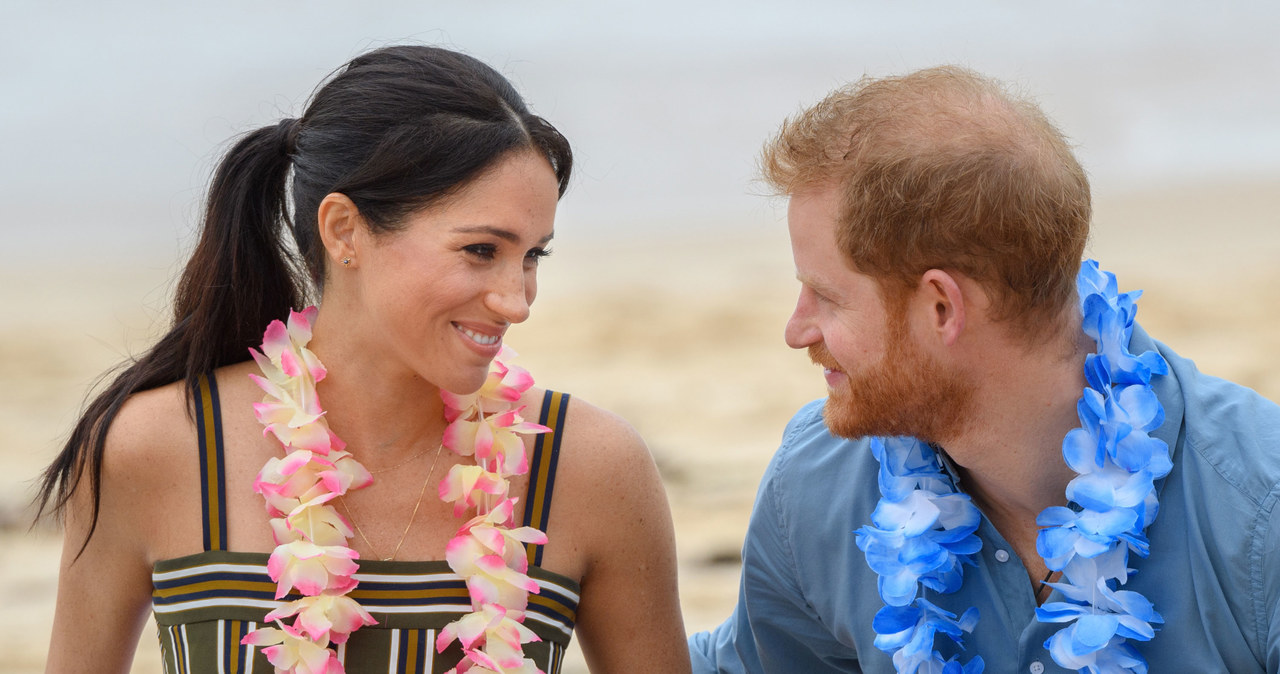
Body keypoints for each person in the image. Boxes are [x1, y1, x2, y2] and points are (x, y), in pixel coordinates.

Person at [37, 45, 689, 674]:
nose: (516, 301)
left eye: (533, 256)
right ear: (344, 230)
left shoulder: (592, 468)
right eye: (483, 251)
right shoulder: (154, 448)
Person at [689, 66, 1280, 673]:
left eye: (827, 297)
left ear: (941, 307)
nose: (797, 331)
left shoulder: (1260, 513)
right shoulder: (816, 486)